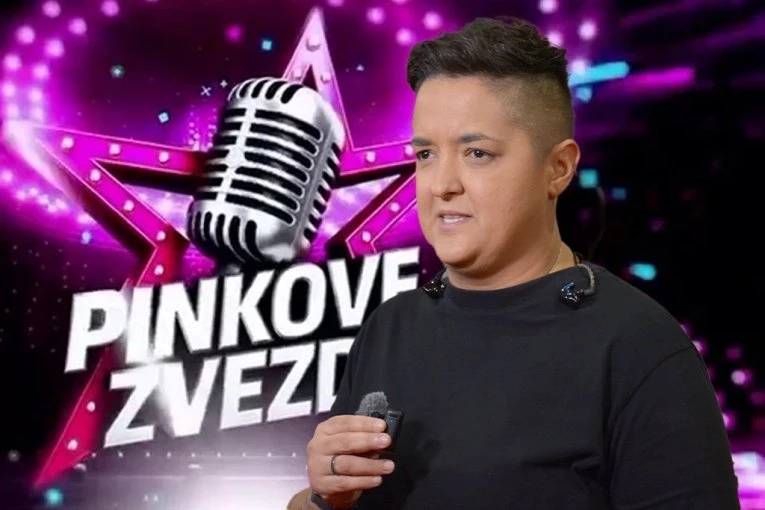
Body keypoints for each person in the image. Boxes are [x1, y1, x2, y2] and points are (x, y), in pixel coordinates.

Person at [288, 16, 739, 510]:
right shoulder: (389, 328)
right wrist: (323, 499)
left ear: (558, 168)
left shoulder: (639, 348)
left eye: (477, 153)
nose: (442, 185)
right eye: (426, 154)